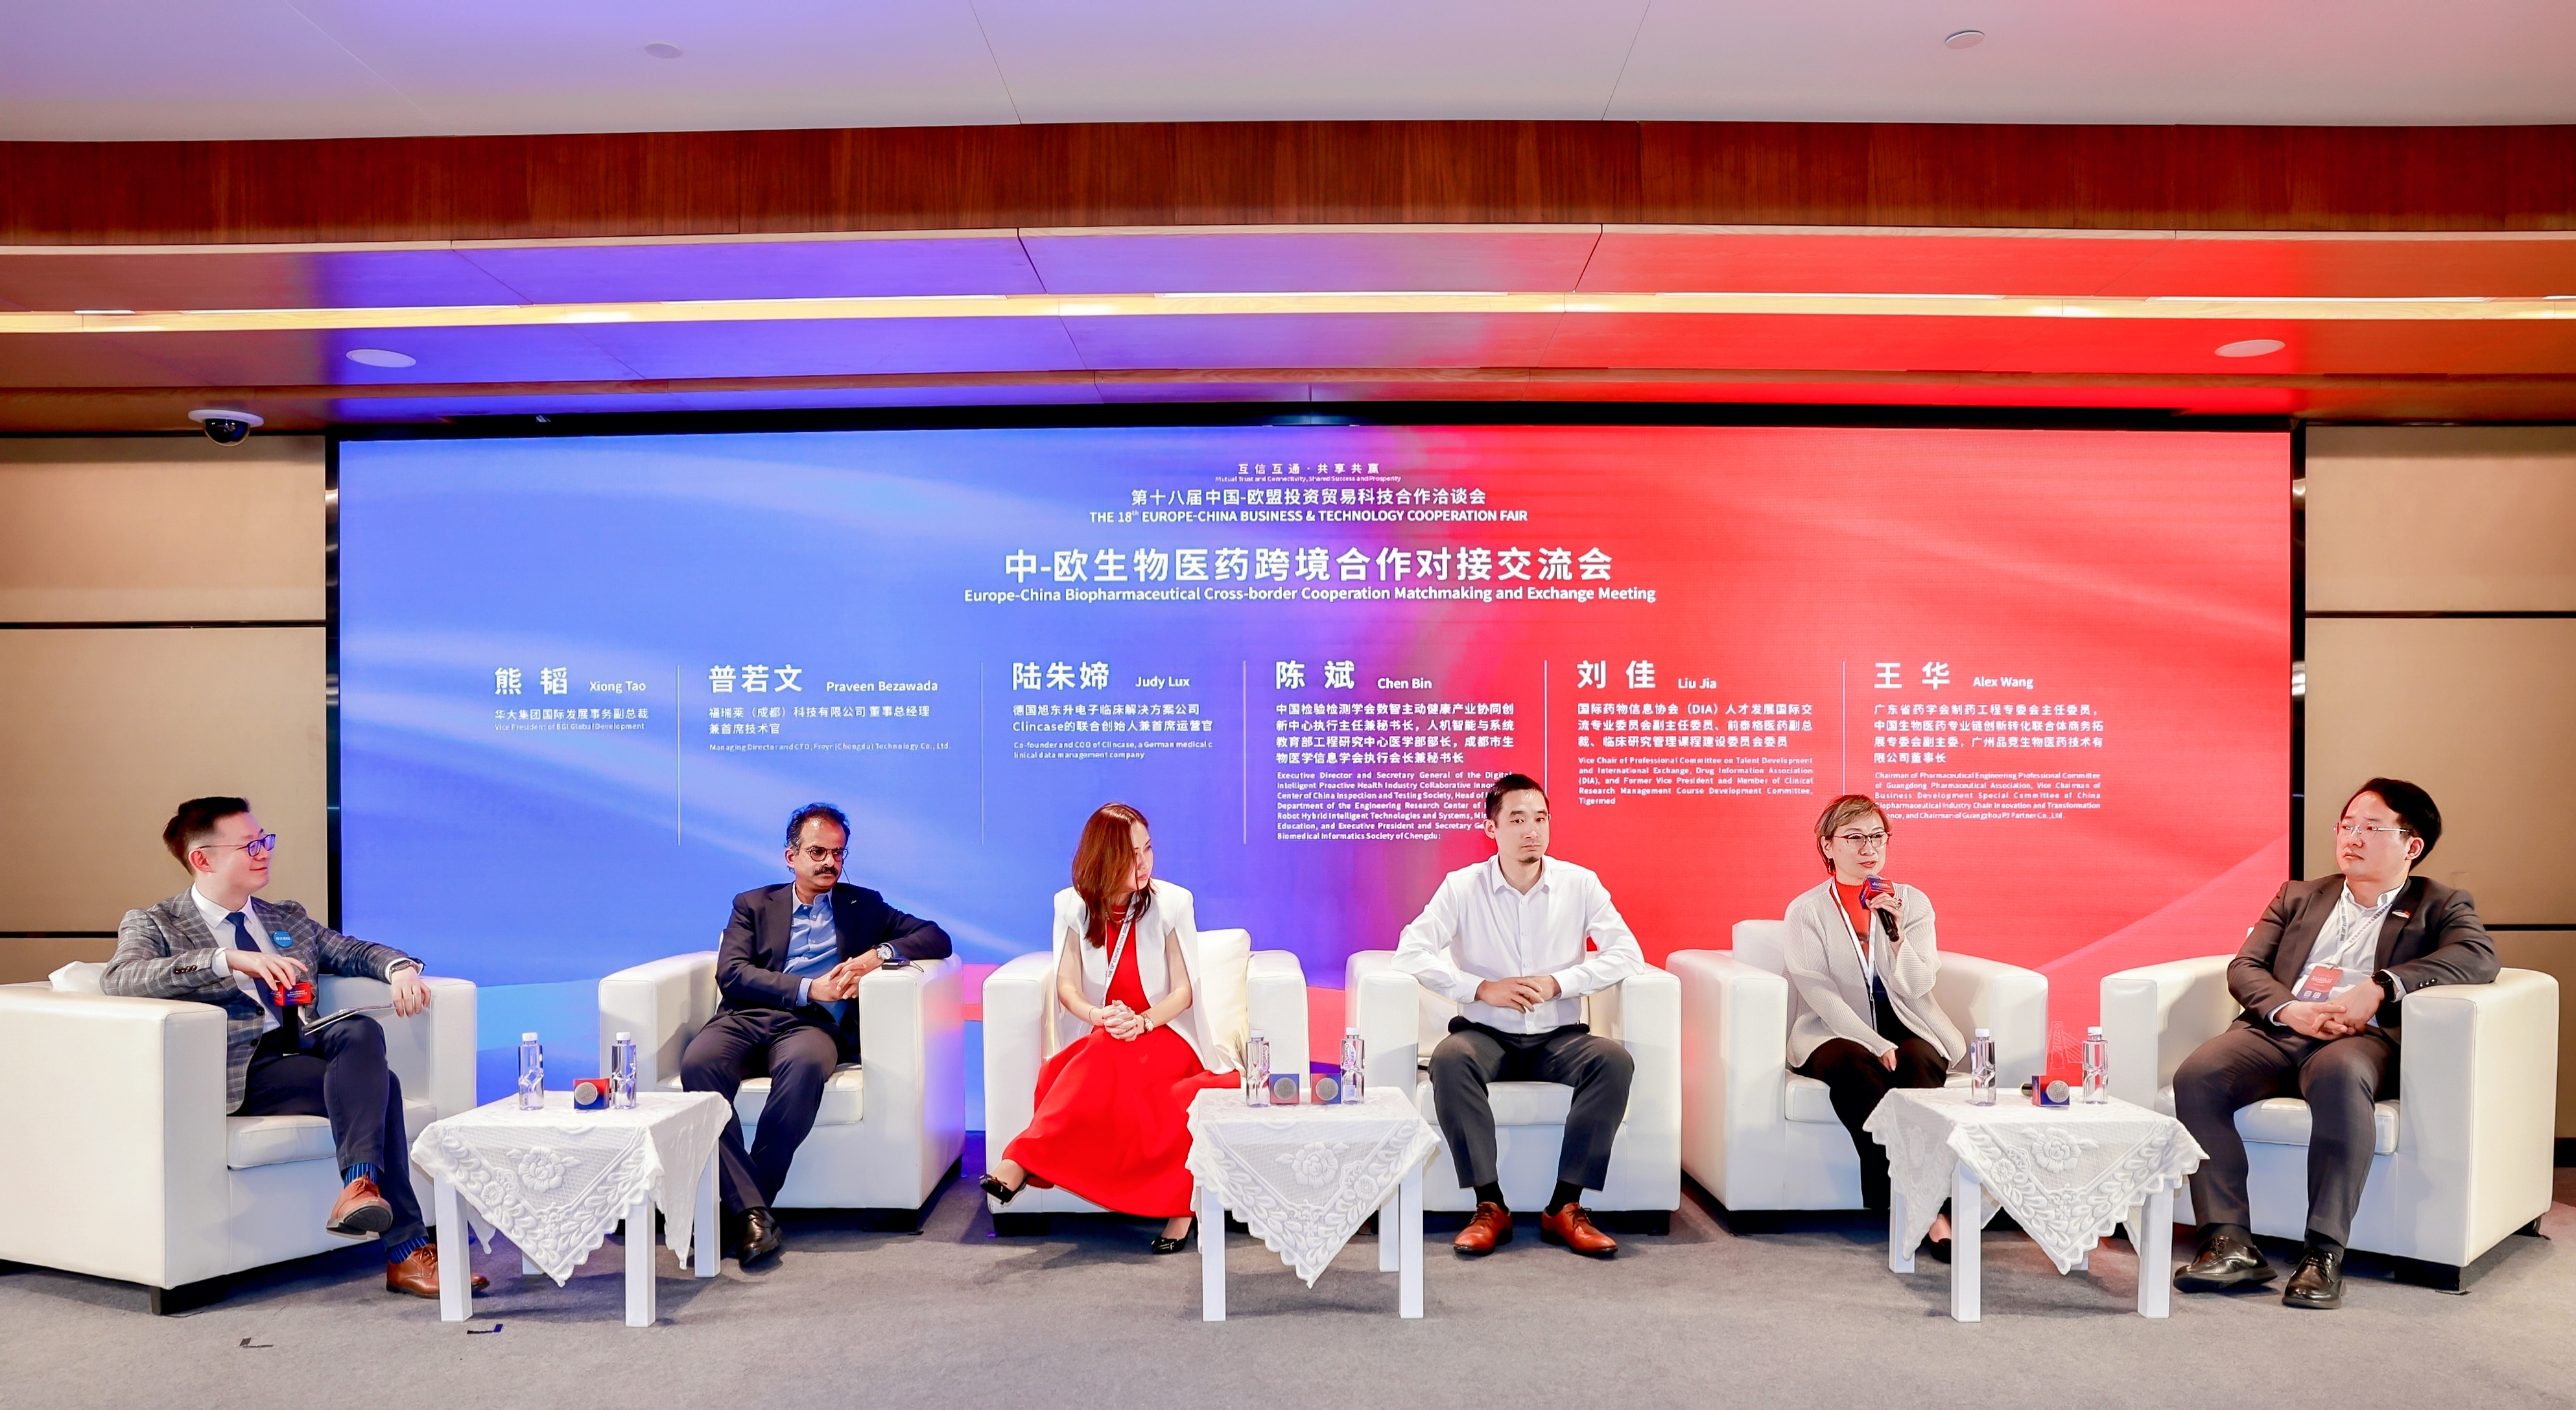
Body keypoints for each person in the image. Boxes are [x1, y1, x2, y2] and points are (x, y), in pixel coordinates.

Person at [103, 797, 480, 1298]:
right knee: (384, 1085)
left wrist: (400, 969)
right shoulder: (157, 923)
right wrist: (226, 959)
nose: (264, 851)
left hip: (303, 1043)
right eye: (249, 845)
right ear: (202, 858)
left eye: (265, 840)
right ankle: (404, 1251)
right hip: (245, 1067)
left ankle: (360, 1190)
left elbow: (354, 951)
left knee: (360, 1030)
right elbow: (122, 977)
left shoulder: (286, 917)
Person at [2171, 778, 2496, 1310]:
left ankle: (2322, 1254)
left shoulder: (2439, 902)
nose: (2352, 837)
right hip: (2281, 1028)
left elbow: (2477, 956)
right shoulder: (2298, 895)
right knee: (2199, 1074)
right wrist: (2288, 1008)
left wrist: (2381, 985)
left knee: (2338, 1074)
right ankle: (2228, 1242)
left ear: (2411, 845)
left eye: (2372, 827)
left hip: (2359, 1039)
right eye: (2346, 825)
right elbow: (2245, 966)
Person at [680, 802, 952, 1265]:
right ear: (791, 857)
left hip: (812, 1027)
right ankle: (752, 1212)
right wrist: (810, 987)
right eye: (818, 852)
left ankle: (743, 1210)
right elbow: (733, 973)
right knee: (698, 1064)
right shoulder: (752, 904)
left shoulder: (862, 905)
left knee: (805, 1067)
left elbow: (935, 937)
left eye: (838, 853)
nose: (830, 863)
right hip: (746, 1017)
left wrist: (878, 955)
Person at [1395, 773, 1646, 1258]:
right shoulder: (1462, 887)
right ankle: (1489, 1205)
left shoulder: (1580, 883)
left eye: (1541, 818)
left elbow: (1627, 954)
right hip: (1485, 1035)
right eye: (1517, 819)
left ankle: (1565, 1206)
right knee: (1450, 1058)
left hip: (1559, 1038)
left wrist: (1560, 983)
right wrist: (1480, 988)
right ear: (1491, 828)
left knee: (1613, 1060)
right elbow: (1411, 952)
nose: (1532, 830)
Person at [980, 803, 1239, 1253]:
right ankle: (1177, 1207)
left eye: (1148, 849)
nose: (1144, 863)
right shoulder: (1072, 905)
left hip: (1163, 1033)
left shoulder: (1173, 902)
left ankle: (1020, 1159)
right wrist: (1097, 1015)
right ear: (1104, 857)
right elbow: (1066, 985)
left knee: (1106, 1052)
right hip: (1105, 1031)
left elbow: (1183, 992)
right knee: (1100, 1048)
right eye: (1131, 854)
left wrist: (1141, 1021)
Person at [1781, 794, 1964, 1258]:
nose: (1869, 848)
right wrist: (1872, 1040)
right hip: (1832, 1029)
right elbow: (1818, 992)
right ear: (1828, 846)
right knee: (1853, 1066)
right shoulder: (1806, 910)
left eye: (1878, 836)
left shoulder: (1911, 901)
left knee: (1921, 1060)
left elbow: (1919, 983)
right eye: (1855, 837)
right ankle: (1928, 1210)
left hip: (1907, 1019)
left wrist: (1897, 934)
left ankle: (1917, 1204)